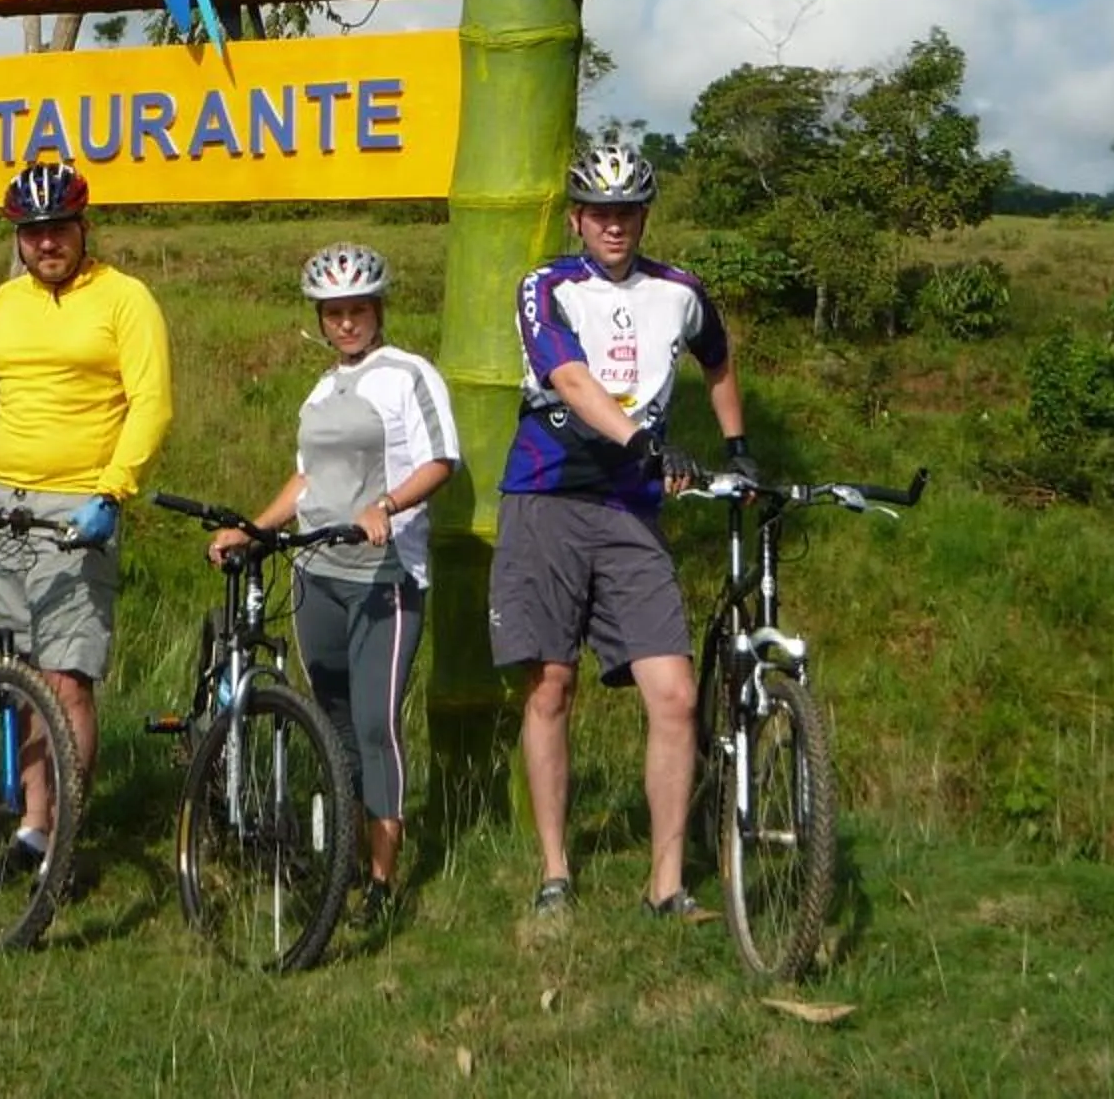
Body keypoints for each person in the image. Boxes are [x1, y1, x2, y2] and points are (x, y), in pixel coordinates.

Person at [490, 145, 754, 920]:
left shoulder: (680, 291)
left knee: (674, 695)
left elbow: (718, 358)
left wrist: (738, 446)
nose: (615, 225)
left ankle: (666, 886)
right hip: (547, 495)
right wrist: (644, 443)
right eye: (600, 212)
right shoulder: (547, 286)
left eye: (628, 212)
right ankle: (555, 872)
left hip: (630, 511)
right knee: (551, 685)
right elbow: (569, 379)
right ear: (577, 218)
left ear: (644, 216)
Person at [0, 163, 172, 887]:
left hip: (78, 507)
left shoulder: (124, 298)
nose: (46, 242)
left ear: (83, 228)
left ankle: (65, 837)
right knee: (23, 674)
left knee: (67, 680)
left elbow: (152, 402)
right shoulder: (5, 302)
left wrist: (113, 490)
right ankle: (33, 827)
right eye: (32, 232)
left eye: (58, 228)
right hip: (3, 503)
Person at [208, 243, 459, 926]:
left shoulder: (408, 375)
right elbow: (308, 479)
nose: (346, 323)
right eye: (333, 313)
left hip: (384, 576)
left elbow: (442, 460)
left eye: (357, 310)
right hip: (315, 572)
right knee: (332, 722)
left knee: (376, 725)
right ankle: (343, 854)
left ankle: (381, 878)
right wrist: (254, 528)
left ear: (378, 310)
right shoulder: (321, 391)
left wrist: (388, 506)